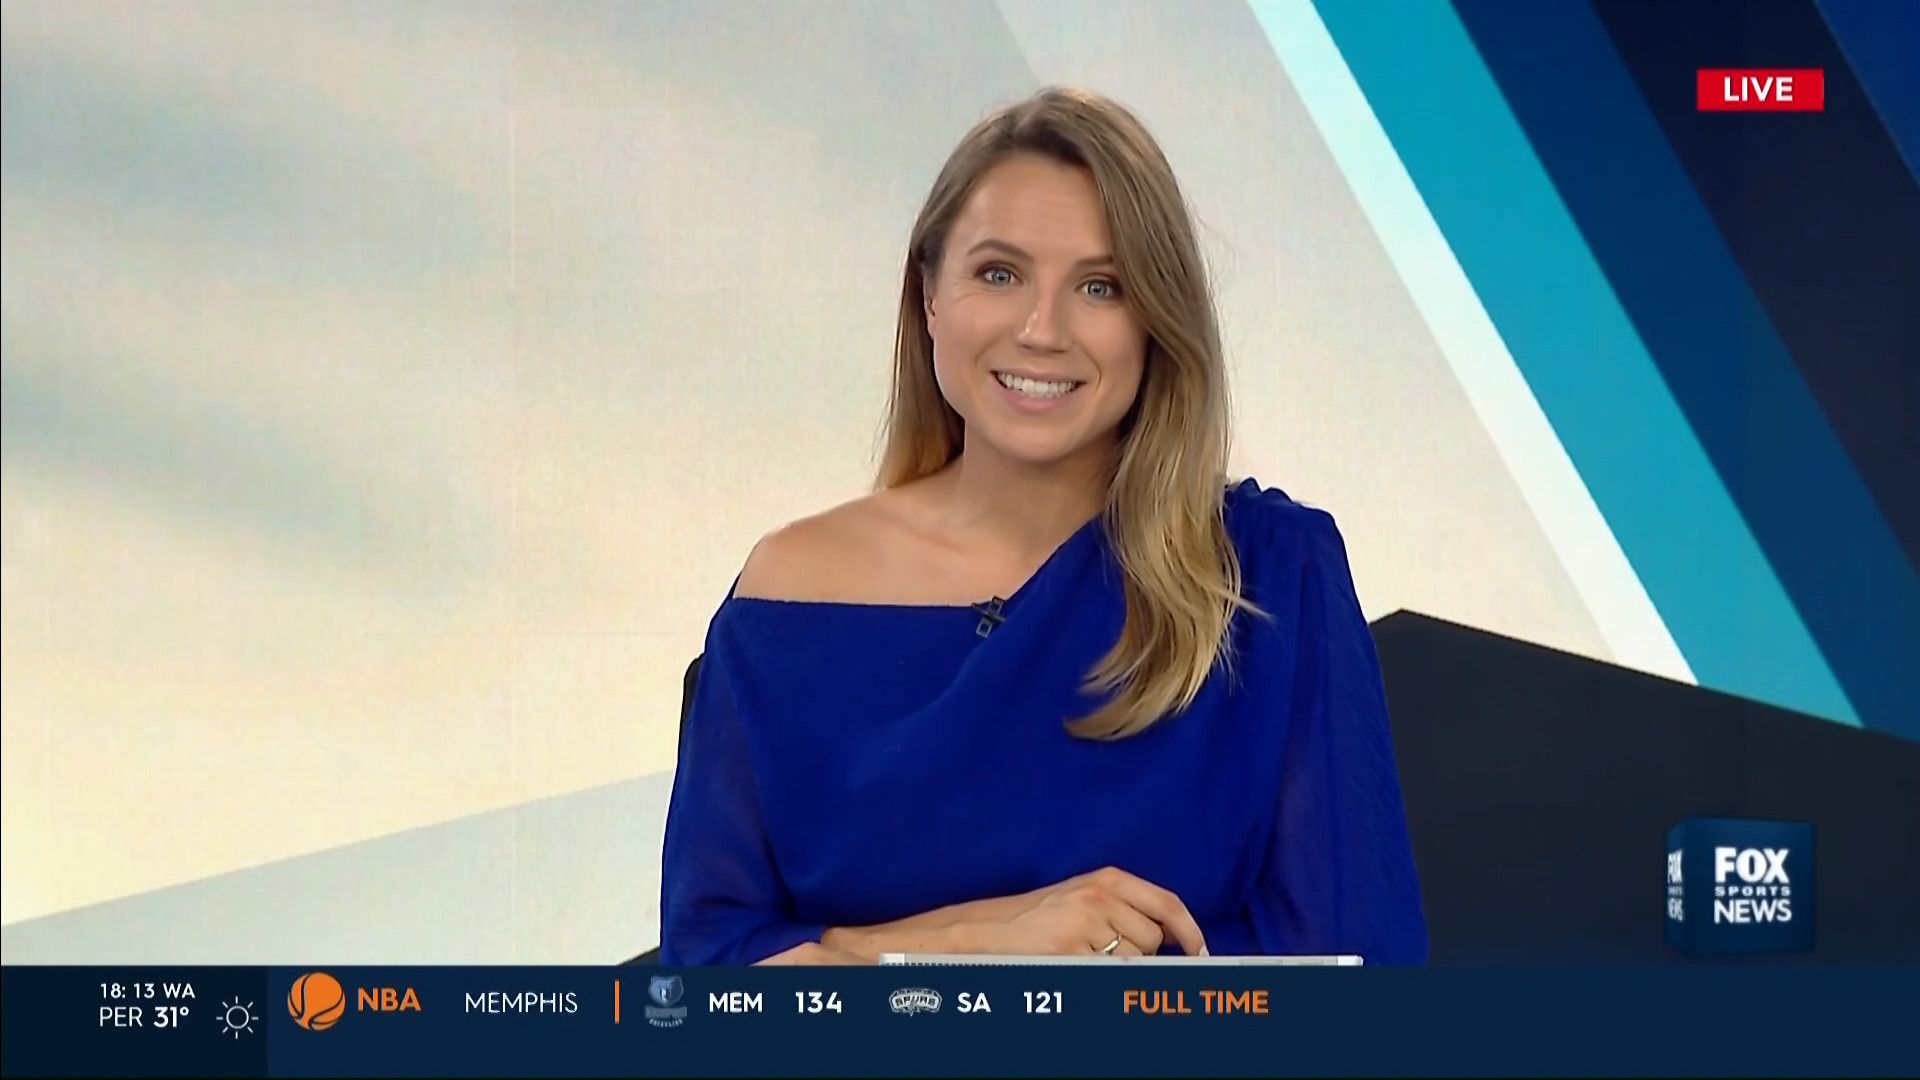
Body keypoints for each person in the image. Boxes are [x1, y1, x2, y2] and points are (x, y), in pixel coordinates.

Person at [657, 87, 1427, 966]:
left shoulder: (1271, 574)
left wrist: (872, 957)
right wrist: (982, 942)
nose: (1042, 330)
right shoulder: (785, 594)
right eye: (999, 274)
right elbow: (711, 981)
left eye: (1101, 287)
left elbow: (1357, 979)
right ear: (929, 294)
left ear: (1155, 322)